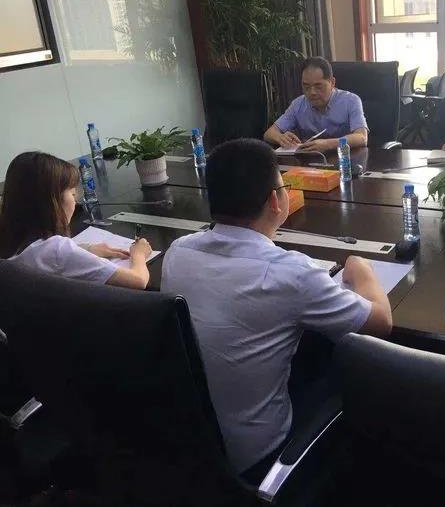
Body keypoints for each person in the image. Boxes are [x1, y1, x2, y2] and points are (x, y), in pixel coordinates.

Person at [161, 138, 392, 475]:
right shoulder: (291, 273)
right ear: (275, 200)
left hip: (193, 440)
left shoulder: (178, 252)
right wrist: (361, 268)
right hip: (259, 454)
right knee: (346, 368)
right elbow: (381, 323)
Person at [0, 152, 152, 289]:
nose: (76, 200)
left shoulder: (11, 241)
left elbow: (42, 256)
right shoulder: (58, 250)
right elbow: (138, 281)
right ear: (52, 202)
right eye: (72, 194)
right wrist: (139, 254)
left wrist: (86, 250)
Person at [263, 57, 369, 153]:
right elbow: (269, 133)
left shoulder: (351, 101)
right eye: (306, 87)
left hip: (345, 160)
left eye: (318, 86)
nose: (312, 92)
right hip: (309, 161)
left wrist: (328, 144)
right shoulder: (298, 104)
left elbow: (361, 137)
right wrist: (280, 138)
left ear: (332, 82)